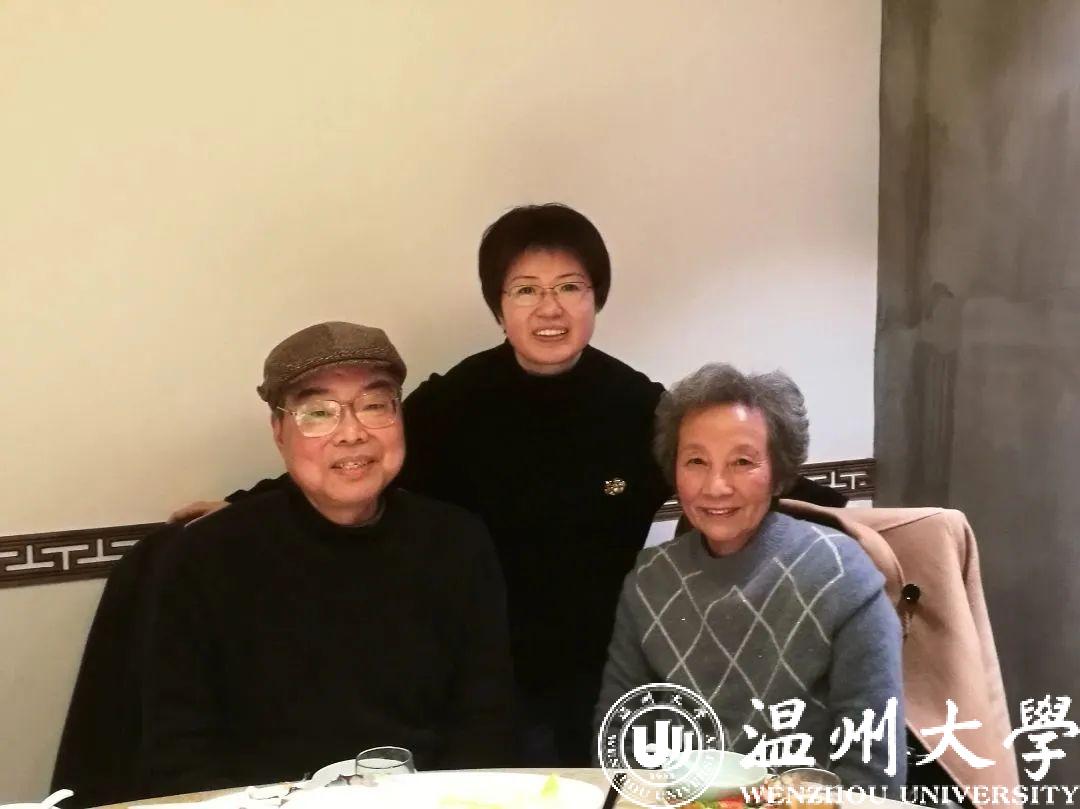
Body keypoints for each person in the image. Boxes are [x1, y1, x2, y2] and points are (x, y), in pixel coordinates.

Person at [169, 204, 845, 766]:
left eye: (570, 287)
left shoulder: (637, 405)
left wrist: (852, 521)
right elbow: (354, 455)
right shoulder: (455, 401)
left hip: (602, 669)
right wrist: (239, 506)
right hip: (477, 678)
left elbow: (736, 470)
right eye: (525, 289)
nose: (549, 308)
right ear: (499, 306)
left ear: (596, 299)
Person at [140, 322, 514, 796]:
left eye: (375, 405)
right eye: (318, 413)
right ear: (279, 432)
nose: (352, 434)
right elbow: (179, 753)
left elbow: (485, 724)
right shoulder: (205, 557)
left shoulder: (456, 542)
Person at [594, 363, 904, 788]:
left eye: (742, 461)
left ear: (778, 473)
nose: (716, 486)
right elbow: (620, 734)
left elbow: (873, 765)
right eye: (696, 461)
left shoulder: (841, 575)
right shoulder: (649, 579)